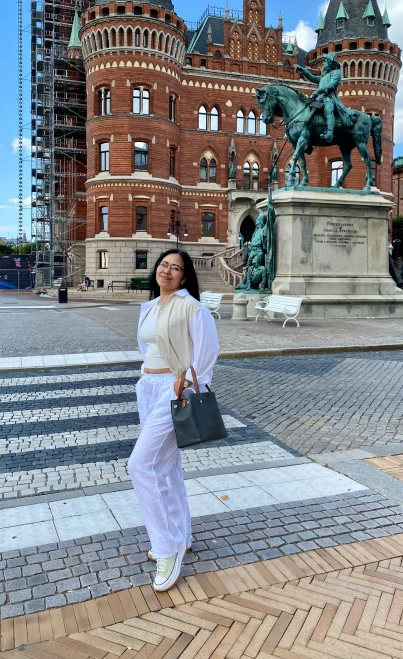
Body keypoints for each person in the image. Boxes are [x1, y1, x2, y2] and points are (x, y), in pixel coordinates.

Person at [128, 249, 219, 593]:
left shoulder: (192, 308)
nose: (166, 271)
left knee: (140, 465)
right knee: (166, 467)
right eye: (163, 265)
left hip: (173, 389)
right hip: (148, 387)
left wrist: (189, 382)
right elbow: (146, 348)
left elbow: (207, 352)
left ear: (184, 277)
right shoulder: (151, 305)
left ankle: (167, 548)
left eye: (175, 268)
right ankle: (182, 537)